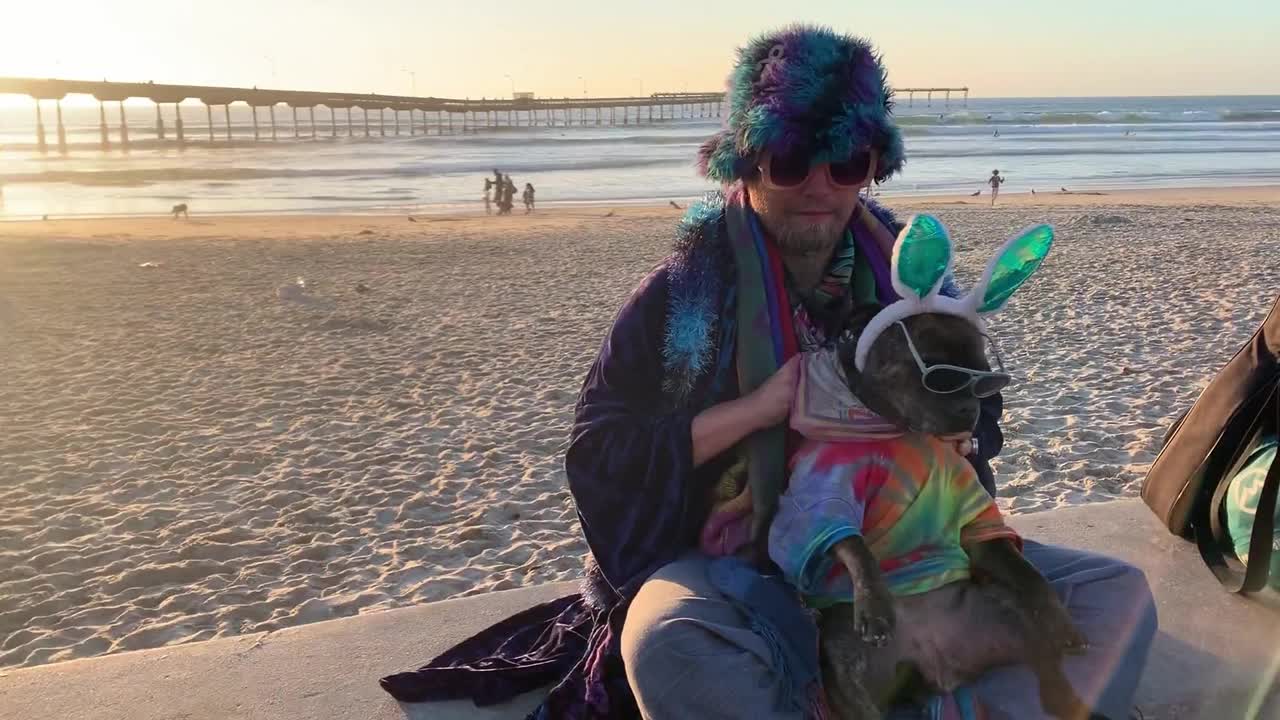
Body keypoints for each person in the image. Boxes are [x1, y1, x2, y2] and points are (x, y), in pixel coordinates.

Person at [379, 25, 1157, 720]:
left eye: (845, 159)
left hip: (903, 539)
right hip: (736, 555)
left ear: (872, 165)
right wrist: (759, 409)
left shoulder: (913, 283)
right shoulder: (684, 294)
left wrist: (951, 431)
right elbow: (599, 454)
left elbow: (976, 411)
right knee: (667, 648)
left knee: (1117, 598)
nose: (819, 184)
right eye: (790, 159)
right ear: (748, 161)